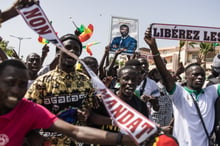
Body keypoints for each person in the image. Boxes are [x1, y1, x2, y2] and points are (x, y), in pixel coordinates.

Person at [0, 59, 135, 146]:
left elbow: (76, 131)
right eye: (10, 83)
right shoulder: (44, 80)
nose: (16, 90)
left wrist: (124, 139)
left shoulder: (29, 110)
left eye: (22, 84)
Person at [144, 26, 220, 146]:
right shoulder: (179, 93)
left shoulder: (211, 92)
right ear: (187, 76)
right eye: (195, 75)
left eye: (202, 75)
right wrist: (153, 48)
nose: (200, 77)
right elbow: (165, 74)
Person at [25, 34, 98, 145]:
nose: (72, 51)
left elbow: (89, 109)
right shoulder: (42, 81)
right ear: (59, 51)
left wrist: (85, 113)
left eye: (76, 49)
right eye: (68, 48)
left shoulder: (85, 80)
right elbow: (27, 113)